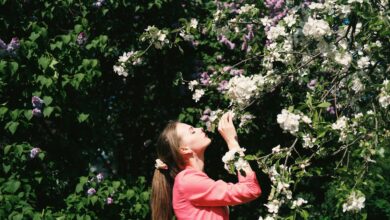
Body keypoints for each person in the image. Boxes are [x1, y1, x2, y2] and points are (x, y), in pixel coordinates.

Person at [151, 112, 261, 220]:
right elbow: (250, 189)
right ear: (184, 149)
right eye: (192, 131)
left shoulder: (192, 179)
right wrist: (232, 142)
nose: (200, 129)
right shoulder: (187, 181)